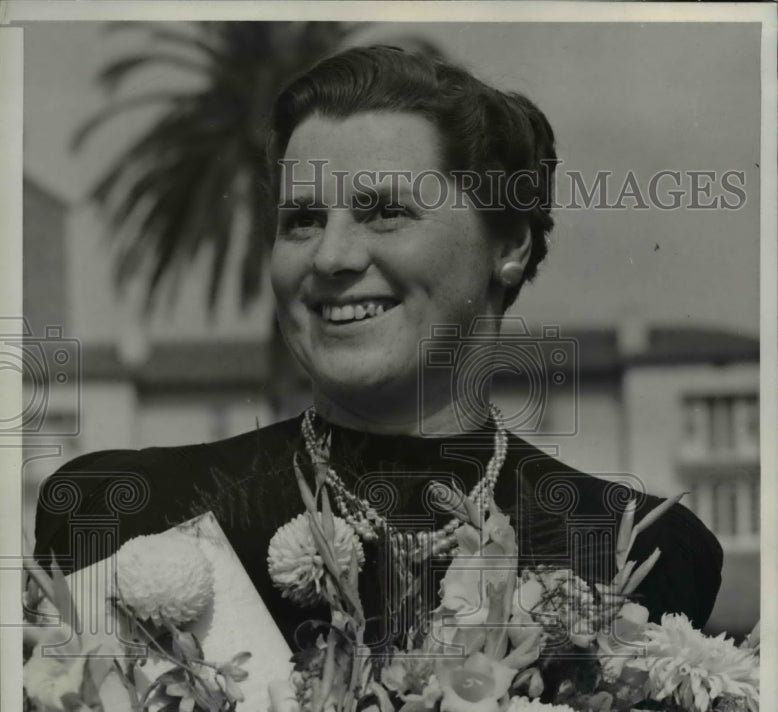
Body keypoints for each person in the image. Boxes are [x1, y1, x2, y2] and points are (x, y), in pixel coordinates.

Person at [34, 45, 722, 658]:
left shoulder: (637, 551)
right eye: (301, 220)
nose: (331, 256)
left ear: (507, 245)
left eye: (384, 211)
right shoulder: (127, 514)